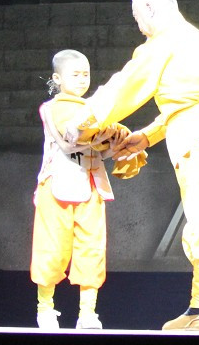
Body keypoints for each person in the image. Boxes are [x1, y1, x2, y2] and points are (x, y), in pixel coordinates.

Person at [77, 0, 199, 331]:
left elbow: (125, 87)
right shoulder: (193, 40)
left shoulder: (167, 40)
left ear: (152, 10)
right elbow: (186, 100)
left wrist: (81, 120)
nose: (139, 27)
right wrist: (146, 137)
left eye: (138, 17)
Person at [29, 49, 143, 331]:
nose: (82, 80)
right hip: (56, 187)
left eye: (86, 75)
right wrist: (103, 134)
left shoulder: (92, 110)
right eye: (75, 75)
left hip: (91, 187)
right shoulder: (51, 108)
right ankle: (45, 309)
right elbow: (69, 144)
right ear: (57, 78)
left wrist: (117, 144)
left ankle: (88, 314)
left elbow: (97, 152)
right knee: (51, 249)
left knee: (91, 251)